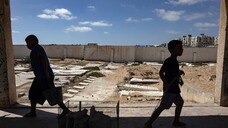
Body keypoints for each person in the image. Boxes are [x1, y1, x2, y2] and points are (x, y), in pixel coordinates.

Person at [24, 34, 70, 118]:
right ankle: (33, 112)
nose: (26, 45)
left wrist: (46, 74)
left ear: (32, 41)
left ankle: (65, 110)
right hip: (40, 77)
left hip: (44, 77)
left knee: (52, 94)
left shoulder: (37, 48)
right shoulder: (35, 49)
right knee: (33, 93)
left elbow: (43, 60)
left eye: (27, 42)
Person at [144, 40, 186, 128]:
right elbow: (161, 72)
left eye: (181, 48)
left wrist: (179, 72)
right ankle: (148, 123)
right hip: (170, 89)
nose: (181, 50)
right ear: (171, 50)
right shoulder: (169, 61)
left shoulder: (174, 61)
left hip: (174, 88)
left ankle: (176, 121)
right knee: (162, 107)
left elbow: (172, 72)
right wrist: (166, 83)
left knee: (180, 103)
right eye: (179, 48)